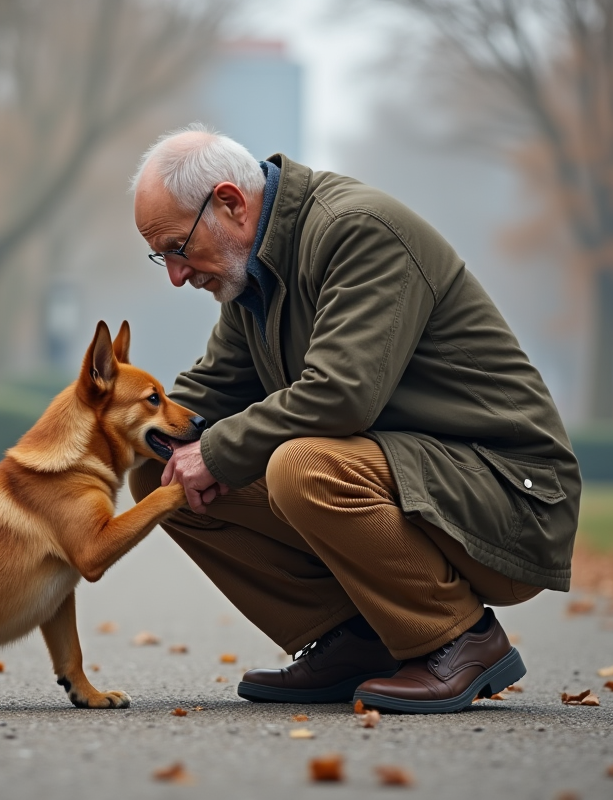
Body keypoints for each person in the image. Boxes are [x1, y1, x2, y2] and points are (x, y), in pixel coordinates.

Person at [128, 124, 580, 714]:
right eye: (160, 257)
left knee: (301, 465)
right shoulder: (252, 277)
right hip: (420, 478)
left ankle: (460, 639)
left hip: (512, 496)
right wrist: (107, 442)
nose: (176, 275)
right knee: (160, 478)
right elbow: (207, 395)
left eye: (177, 248)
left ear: (231, 204)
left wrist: (214, 452)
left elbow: (341, 396)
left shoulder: (357, 230)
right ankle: (362, 638)